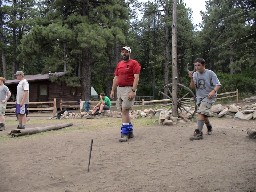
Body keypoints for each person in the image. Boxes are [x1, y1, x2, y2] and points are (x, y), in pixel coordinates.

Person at [110, 46, 141, 142]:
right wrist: (112, 90)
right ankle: (130, 131)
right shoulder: (119, 64)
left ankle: (124, 133)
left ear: (129, 53)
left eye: (126, 52)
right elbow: (116, 78)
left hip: (129, 88)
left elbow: (136, 78)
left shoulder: (134, 63)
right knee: (123, 110)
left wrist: (133, 90)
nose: (124, 53)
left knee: (125, 110)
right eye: (122, 52)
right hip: (120, 89)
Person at [188, 58, 221, 140]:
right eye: (195, 65)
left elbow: (218, 84)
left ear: (203, 65)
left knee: (201, 112)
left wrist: (213, 91)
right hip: (199, 97)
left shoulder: (210, 73)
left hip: (209, 96)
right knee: (203, 114)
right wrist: (191, 78)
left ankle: (199, 133)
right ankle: (209, 126)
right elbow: (192, 87)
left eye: (198, 65)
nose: (197, 67)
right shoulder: (195, 74)